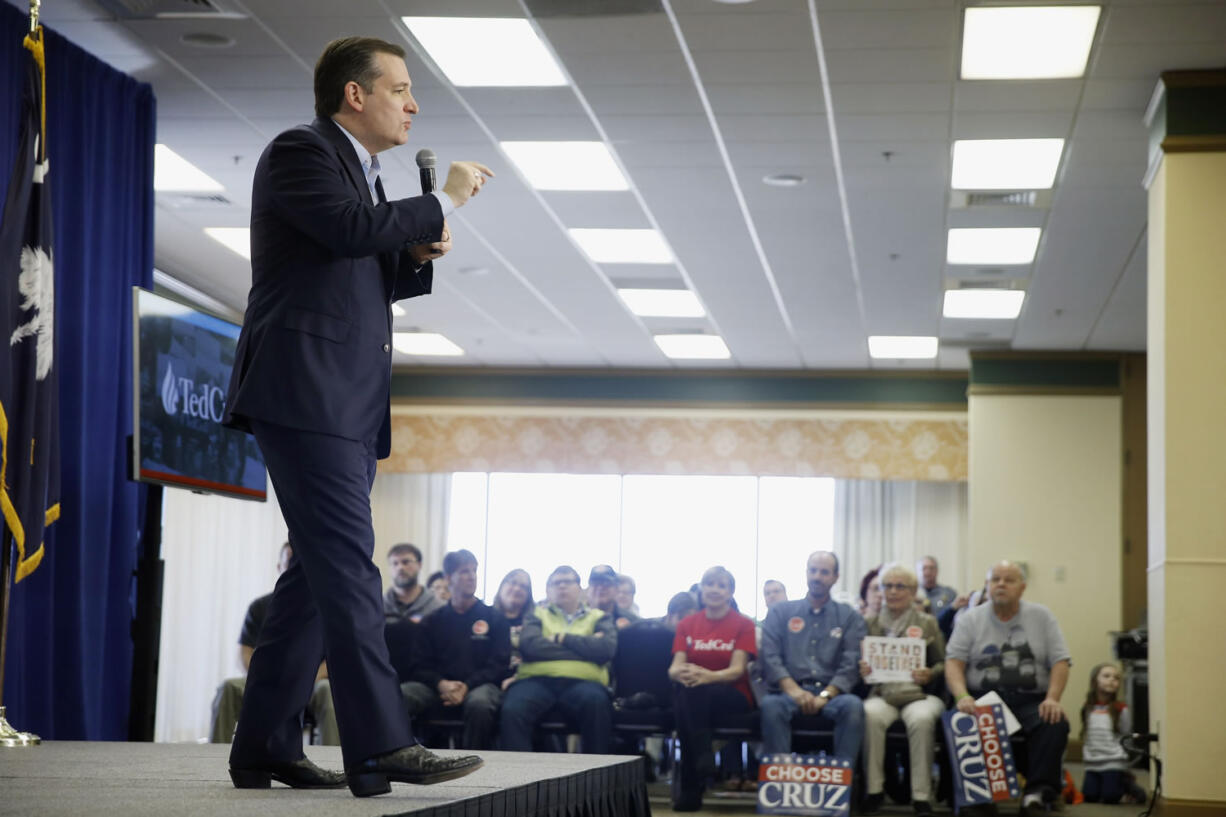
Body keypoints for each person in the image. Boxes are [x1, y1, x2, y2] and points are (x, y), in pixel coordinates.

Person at [221, 35, 491, 796]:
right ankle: (379, 744)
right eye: (400, 89)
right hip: (305, 390)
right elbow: (343, 233)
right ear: (354, 96)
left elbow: (353, 274)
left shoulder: (363, 177)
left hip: (340, 396)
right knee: (349, 569)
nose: (412, 105)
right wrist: (445, 198)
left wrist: (412, 257)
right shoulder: (300, 152)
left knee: (313, 577)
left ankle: (265, 744)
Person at [946, 561, 1071, 816]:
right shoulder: (969, 619)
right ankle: (978, 798)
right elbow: (953, 663)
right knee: (962, 718)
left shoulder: (1042, 616)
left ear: (1022, 587)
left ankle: (1037, 794)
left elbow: (1061, 661)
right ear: (987, 586)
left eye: (1009, 580)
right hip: (982, 696)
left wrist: (1052, 698)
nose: (1001, 584)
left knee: (1054, 721)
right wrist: (962, 696)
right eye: (995, 580)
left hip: (1030, 698)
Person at [211, 543, 339, 746]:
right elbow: (245, 653)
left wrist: (303, 682)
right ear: (279, 567)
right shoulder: (260, 607)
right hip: (268, 681)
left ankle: (333, 763)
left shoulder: (328, 607)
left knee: (329, 692)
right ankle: (213, 757)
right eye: (290, 560)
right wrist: (267, 680)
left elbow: (335, 657)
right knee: (228, 688)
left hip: (313, 684)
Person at [759, 551, 866, 762]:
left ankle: (842, 785)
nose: (817, 577)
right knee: (770, 706)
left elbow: (851, 662)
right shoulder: (780, 612)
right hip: (787, 694)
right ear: (806, 573)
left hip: (833, 695)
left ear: (835, 577)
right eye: (813, 570)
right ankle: (781, 781)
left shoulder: (850, 617)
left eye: (824, 572)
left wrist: (825, 696)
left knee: (853, 706)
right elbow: (770, 657)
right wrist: (794, 691)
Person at [857, 564, 946, 817]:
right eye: (888, 586)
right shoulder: (869, 622)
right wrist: (862, 669)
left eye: (900, 586)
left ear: (913, 591)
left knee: (921, 718)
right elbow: (858, 661)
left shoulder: (927, 622)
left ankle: (921, 796)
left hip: (918, 693)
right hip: (882, 693)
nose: (893, 591)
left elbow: (943, 662)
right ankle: (874, 791)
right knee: (870, 714)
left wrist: (931, 673)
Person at [498, 565, 617, 753]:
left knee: (597, 704)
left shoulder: (599, 617)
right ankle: (518, 778)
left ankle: (596, 779)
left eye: (567, 582)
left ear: (580, 588)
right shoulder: (536, 614)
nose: (562, 586)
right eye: (556, 583)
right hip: (535, 681)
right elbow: (530, 647)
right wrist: (585, 648)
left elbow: (604, 650)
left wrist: (561, 639)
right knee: (513, 709)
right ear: (547, 590)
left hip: (585, 684)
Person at [668, 566, 757, 812]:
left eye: (721, 585)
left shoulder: (743, 624)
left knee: (688, 699)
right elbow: (674, 669)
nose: (714, 590)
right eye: (709, 584)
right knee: (688, 696)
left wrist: (706, 676)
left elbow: (737, 671)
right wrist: (686, 673)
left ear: (730, 593)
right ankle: (703, 758)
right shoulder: (687, 624)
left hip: (733, 695)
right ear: (702, 589)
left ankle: (691, 788)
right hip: (696, 695)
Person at [402, 550, 511, 750]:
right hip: (436, 686)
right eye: (464, 572)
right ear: (448, 578)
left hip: (479, 686)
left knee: (480, 703)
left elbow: (499, 666)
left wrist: (467, 686)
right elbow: (418, 665)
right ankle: (401, 758)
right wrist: (440, 683)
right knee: (399, 695)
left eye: (474, 571)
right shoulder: (432, 621)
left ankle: (475, 767)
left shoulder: (495, 619)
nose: (471, 576)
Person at [1080, 663, 1146, 804]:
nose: (1111, 680)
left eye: (1116, 678)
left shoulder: (1121, 709)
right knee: (1089, 797)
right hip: (1093, 761)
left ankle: (1127, 783)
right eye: (1106, 676)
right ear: (1094, 681)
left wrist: (1125, 761)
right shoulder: (1088, 707)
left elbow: (1126, 735)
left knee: (1110, 797)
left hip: (1113, 761)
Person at [383, 543, 443, 623]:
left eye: (406, 562)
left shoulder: (437, 607)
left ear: (419, 565)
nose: (400, 568)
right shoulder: (377, 607)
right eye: (395, 563)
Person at [587, 564, 639, 629]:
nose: (600, 587)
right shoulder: (575, 616)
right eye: (595, 583)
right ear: (588, 588)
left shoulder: (632, 622)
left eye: (606, 583)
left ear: (616, 589)